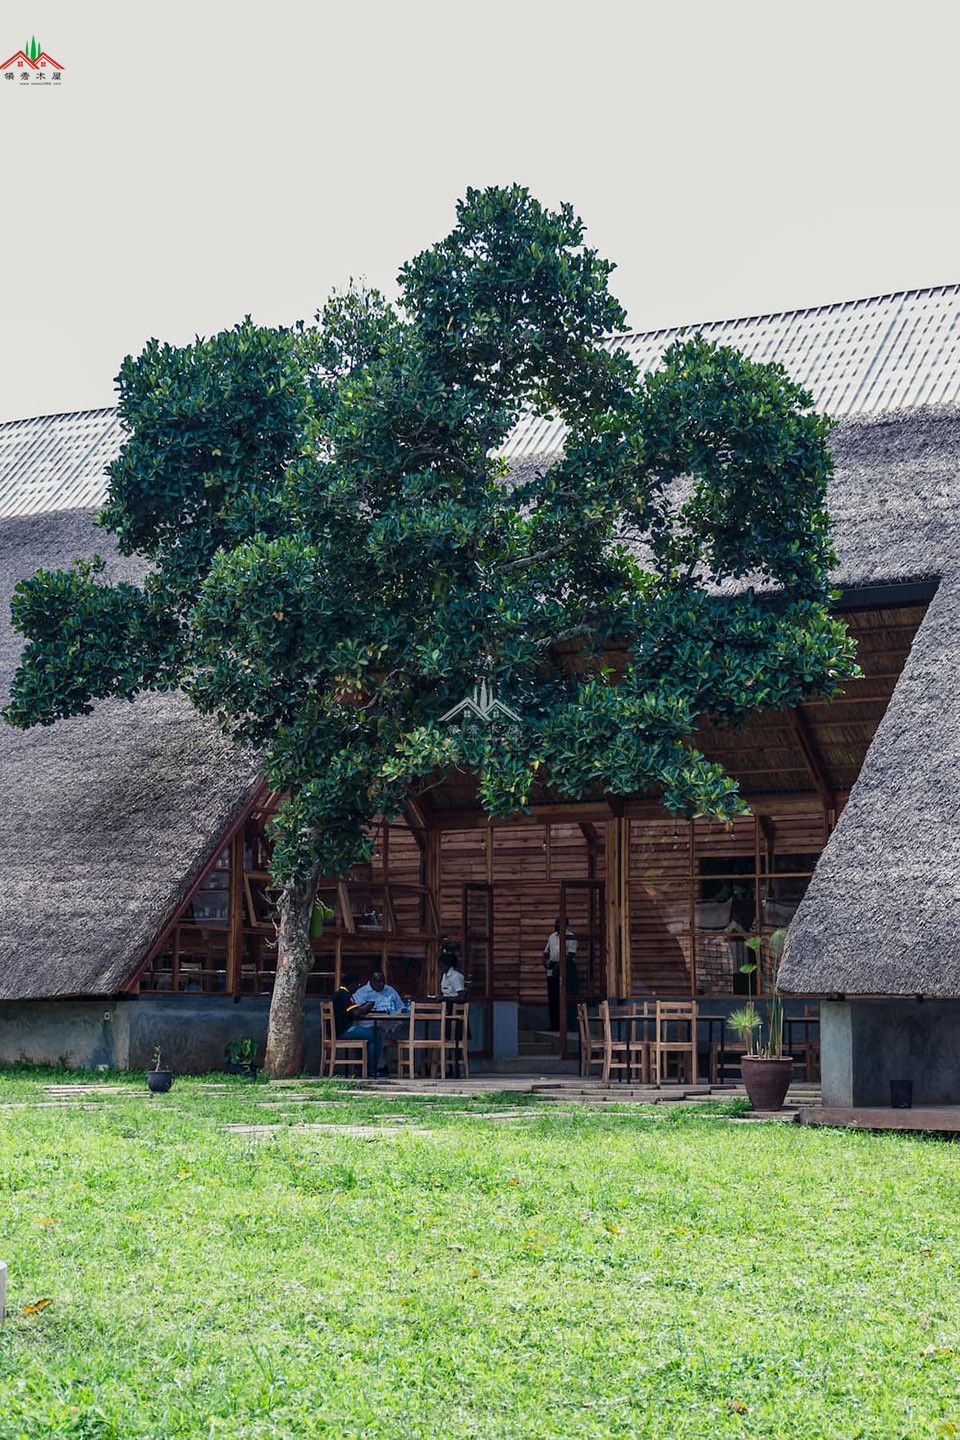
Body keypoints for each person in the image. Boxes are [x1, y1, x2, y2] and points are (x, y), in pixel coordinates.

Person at [331, 975, 383, 1075]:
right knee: (376, 1036)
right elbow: (356, 1013)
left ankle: (359, 1069)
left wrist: (362, 1008)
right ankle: (371, 1070)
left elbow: (352, 1011)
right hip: (344, 1030)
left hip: (338, 1030)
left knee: (365, 1034)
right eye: (357, 985)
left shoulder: (338, 994)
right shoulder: (345, 995)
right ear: (351, 985)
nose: (358, 987)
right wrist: (367, 1006)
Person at [542, 918, 578, 1031]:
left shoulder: (571, 937)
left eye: (559, 923)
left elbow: (571, 954)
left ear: (566, 925)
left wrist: (560, 966)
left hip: (565, 966)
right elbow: (546, 952)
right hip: (553, 965)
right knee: (553, 996)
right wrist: (545, 962)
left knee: (564, 995)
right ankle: (554, 1024)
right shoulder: (552, 937)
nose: (556, 925)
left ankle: (566, 1024)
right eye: (556, 923)